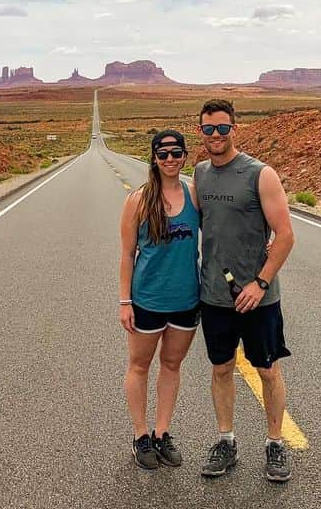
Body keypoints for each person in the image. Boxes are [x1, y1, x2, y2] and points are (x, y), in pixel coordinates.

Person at [194, 99, 296, 482]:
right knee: (221, 368)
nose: (216, 136)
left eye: (223, 128)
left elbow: (285, 236)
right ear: (200, 132)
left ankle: (275, 444)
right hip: (215, 296)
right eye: (209, 129)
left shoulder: (260, 174)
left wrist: (261, 282)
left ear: (234, 129)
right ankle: (226, 441)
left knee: (267, 370)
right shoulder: (200, 174)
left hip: (259, 297)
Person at [118, 129, 201, 469]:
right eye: (163, 153)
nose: (170, 159)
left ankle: (162, 432)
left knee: (171, 365)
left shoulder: (194, 194)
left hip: (185, 299)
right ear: (153, 157)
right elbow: (126, 255)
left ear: (185, 155)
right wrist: (125, 301)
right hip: (147, 301)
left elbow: (226, 227)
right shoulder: (138, 200)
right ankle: (140, 436)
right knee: (140, 365)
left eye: (176, 152)